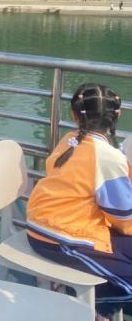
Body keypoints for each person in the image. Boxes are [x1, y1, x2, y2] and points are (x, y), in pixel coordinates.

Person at [27, 84, 132, 321]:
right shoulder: (108, 156)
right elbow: (123, 219)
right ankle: (86, 308)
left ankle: (90, 304)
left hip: (45, 223)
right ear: (117, 115)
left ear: (75, 115)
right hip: (59, 238)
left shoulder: (70, 139)